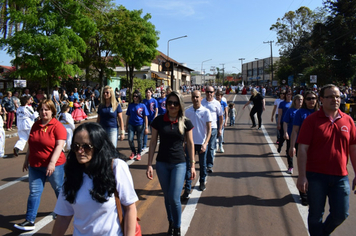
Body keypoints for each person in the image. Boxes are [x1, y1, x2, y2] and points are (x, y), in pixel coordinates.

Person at [52, 122, 138, 236]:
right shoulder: (72, 174)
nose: (80, 151)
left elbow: (130, 208)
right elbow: (63, 216)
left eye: (86, 147)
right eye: (76, 146)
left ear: (98, 147)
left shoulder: (116, 167)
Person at [296, 84, 356, 236]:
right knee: (316, 215)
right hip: (316, 176)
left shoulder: (348, 121)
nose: (335, 99)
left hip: (340, 177)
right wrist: (302, 176)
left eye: (337, 96)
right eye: (330, 96)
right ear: (321, 99)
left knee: (341, 214)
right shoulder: (311, 120)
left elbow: (353, 149)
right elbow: (302, 149)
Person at [146, 91, 195, 236]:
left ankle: (178, 228)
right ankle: (171, 223)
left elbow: (191, 144)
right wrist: (149, 164)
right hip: (162, 163)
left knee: (174, 197)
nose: (172, 105)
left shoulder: (186, 122)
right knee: (167, 197)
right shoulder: (159, 121)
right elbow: (153, 142)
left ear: (180, 105)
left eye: (175, 103)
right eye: (169, 103)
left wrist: (192, 165)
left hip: (179, 163)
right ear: (166, 105)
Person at [14, 99, 67, 231]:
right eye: (41, 109)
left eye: (46, 109)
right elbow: (32, 144)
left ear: (52, 111)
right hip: (35, 166)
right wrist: (26, 159)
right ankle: (30, 220)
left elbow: (59, 146)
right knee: (34, 192)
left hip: (55, 165)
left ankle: (66, 212)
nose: (43, 112)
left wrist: (52, 163)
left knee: (59, 189)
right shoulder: (35, 125)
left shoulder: (57, 126)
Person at [289, 90, 320, 206]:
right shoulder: (300, 113)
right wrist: (292, 146)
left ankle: (312, 191)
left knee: (316, 171)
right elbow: (295, 131)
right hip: (303, 145)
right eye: (308, 98)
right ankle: (304, 194)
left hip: (318, 146)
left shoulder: (321, 112)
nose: (311, 101)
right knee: (305, 170)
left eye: (313, 98)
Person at [182, 90, 211, 200]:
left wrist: (205, 143)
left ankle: (202, 181)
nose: (195, 99)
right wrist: (185, 142)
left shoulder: (206, 111)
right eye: (193, 97)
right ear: (191, 98)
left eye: (197, 97)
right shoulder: (188, 112)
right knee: (189, 166)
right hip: (190, 143)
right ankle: (188, 188)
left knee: (202, 165)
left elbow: (209, 130)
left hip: (202, 143)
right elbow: (185, 129)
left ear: (201, 98)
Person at [201, 86, 223, 173]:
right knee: (203, 147)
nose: (209, 94)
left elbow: (220, 117)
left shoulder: (217, 103)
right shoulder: (202, 102)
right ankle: (203, 163)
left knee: (211, 147)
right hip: (203, 128)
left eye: (211, 92)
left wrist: (220, 128)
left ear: (214, 93)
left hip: (213, 128)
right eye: (207, 92)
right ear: (205, 92)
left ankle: (209, 165)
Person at [282, 94, 303, 174]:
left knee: (300, 154)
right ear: (295, 101)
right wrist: (285, 132)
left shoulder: (304, 111)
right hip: (292, 135)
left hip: (302, 136)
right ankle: (290, 166)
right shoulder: (290, 110)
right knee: (290, 151)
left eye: (301, 100)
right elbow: (285, 122)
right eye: (298, 100)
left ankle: (301, 170)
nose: (300, 101)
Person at [126, 90, 149, 161]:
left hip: (140, 125)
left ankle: (139, 153)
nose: (135, 97)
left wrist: (146, 127)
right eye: (134, 96)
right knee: (130, 139)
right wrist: (126, 125)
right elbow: (128, 116)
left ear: (139, 97)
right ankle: (133, 151)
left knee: (139, 140)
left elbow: (145, 117)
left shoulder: (142, 105)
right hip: (131, 124)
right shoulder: (130, 105)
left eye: (136, 96)